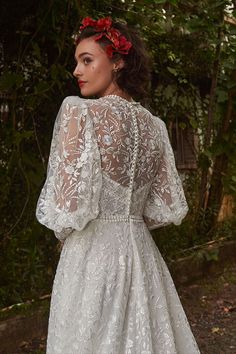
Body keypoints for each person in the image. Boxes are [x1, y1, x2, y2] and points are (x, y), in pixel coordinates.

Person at [36, 16, 200, 354]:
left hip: (91, 253)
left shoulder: (79, 112)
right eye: (76, 62)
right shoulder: (156, 127)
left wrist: (72, 236)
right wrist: (128, 220)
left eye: (87, 60)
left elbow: (68, 210)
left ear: (118, 61)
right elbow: (164, 210)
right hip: (141, 254)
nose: (76, 71)